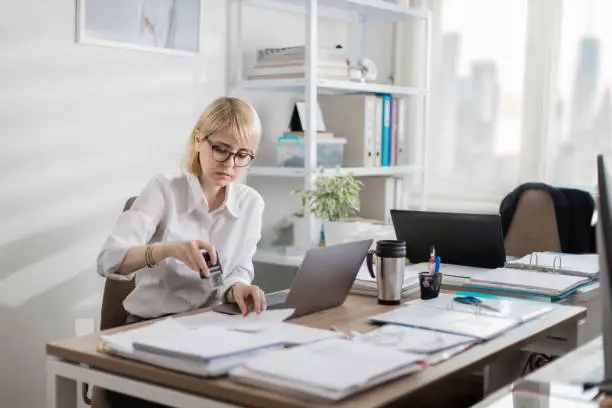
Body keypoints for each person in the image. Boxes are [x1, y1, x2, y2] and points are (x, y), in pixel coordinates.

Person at [97, 96, 266, 324]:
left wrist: (237, 288)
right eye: (221, 149)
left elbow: (238, 270)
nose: (230, 163)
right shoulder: (164, 189)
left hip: (212, 323)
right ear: (198, 140)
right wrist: (168, 250)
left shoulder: (251, 204)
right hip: (153, 324)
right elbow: (108, 259)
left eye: (242, 155)